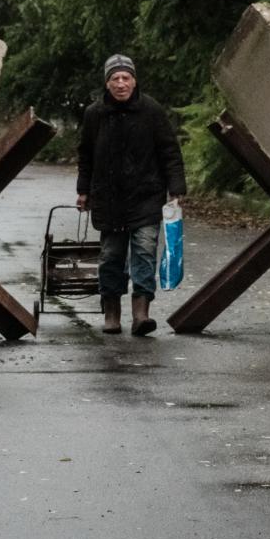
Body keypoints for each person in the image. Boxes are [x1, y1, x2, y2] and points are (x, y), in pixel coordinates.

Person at [76, 54, 186, 336]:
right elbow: (86, 155)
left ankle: (141, 314)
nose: (121, 83)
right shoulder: (94, 114)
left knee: (144, 253)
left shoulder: (152, 111)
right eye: (115, 78)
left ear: (135, 81)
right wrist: (83, 190)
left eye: (126, 78)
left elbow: (169, 151)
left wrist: (176, 189)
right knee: (111, 256)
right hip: (108, 198)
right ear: (107, 82)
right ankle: (112, 313)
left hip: (145, 197)